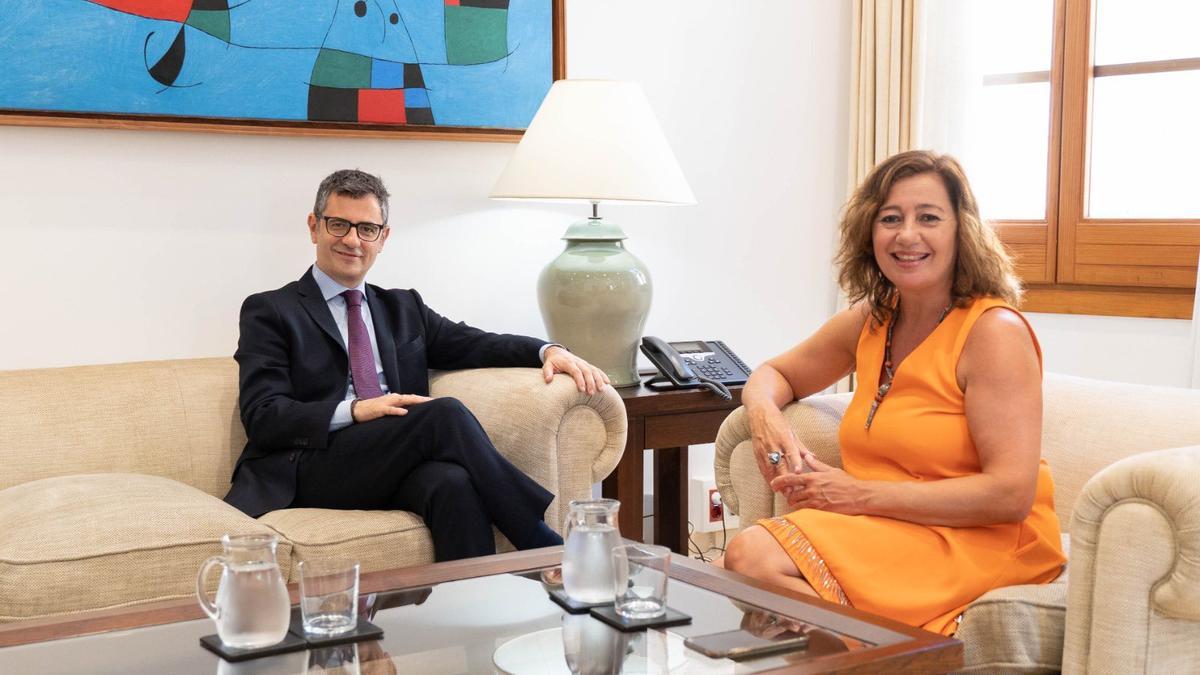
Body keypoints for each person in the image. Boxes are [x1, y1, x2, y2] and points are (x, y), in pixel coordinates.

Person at [718, 150, 1065, 635]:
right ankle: (883, 654)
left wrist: (856, 495)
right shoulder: (874, 317)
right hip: (889, 524)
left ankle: (894, 655)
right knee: (746, 561)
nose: (907, 235)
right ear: (870, 233)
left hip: (979, 537)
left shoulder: (994, 333)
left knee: (751, 558)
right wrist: (763, 413)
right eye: (890, 218)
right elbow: (774, 373)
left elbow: (1008, 495)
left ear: (961, 231)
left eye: (928, 218)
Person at [224, 169, 609, 561]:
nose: (352, 240)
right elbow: (263, 415)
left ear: (383, 237)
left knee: (452, 482)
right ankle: (544, 544)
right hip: (309, 467)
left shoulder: (402, 307)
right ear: (314, 227)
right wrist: (354, 411)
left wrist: (547, 351)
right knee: (443, 415)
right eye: (339, 225)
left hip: (388, 462)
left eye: (367, 229)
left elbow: (476, 343)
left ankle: (467, 607)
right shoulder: (270, 310)